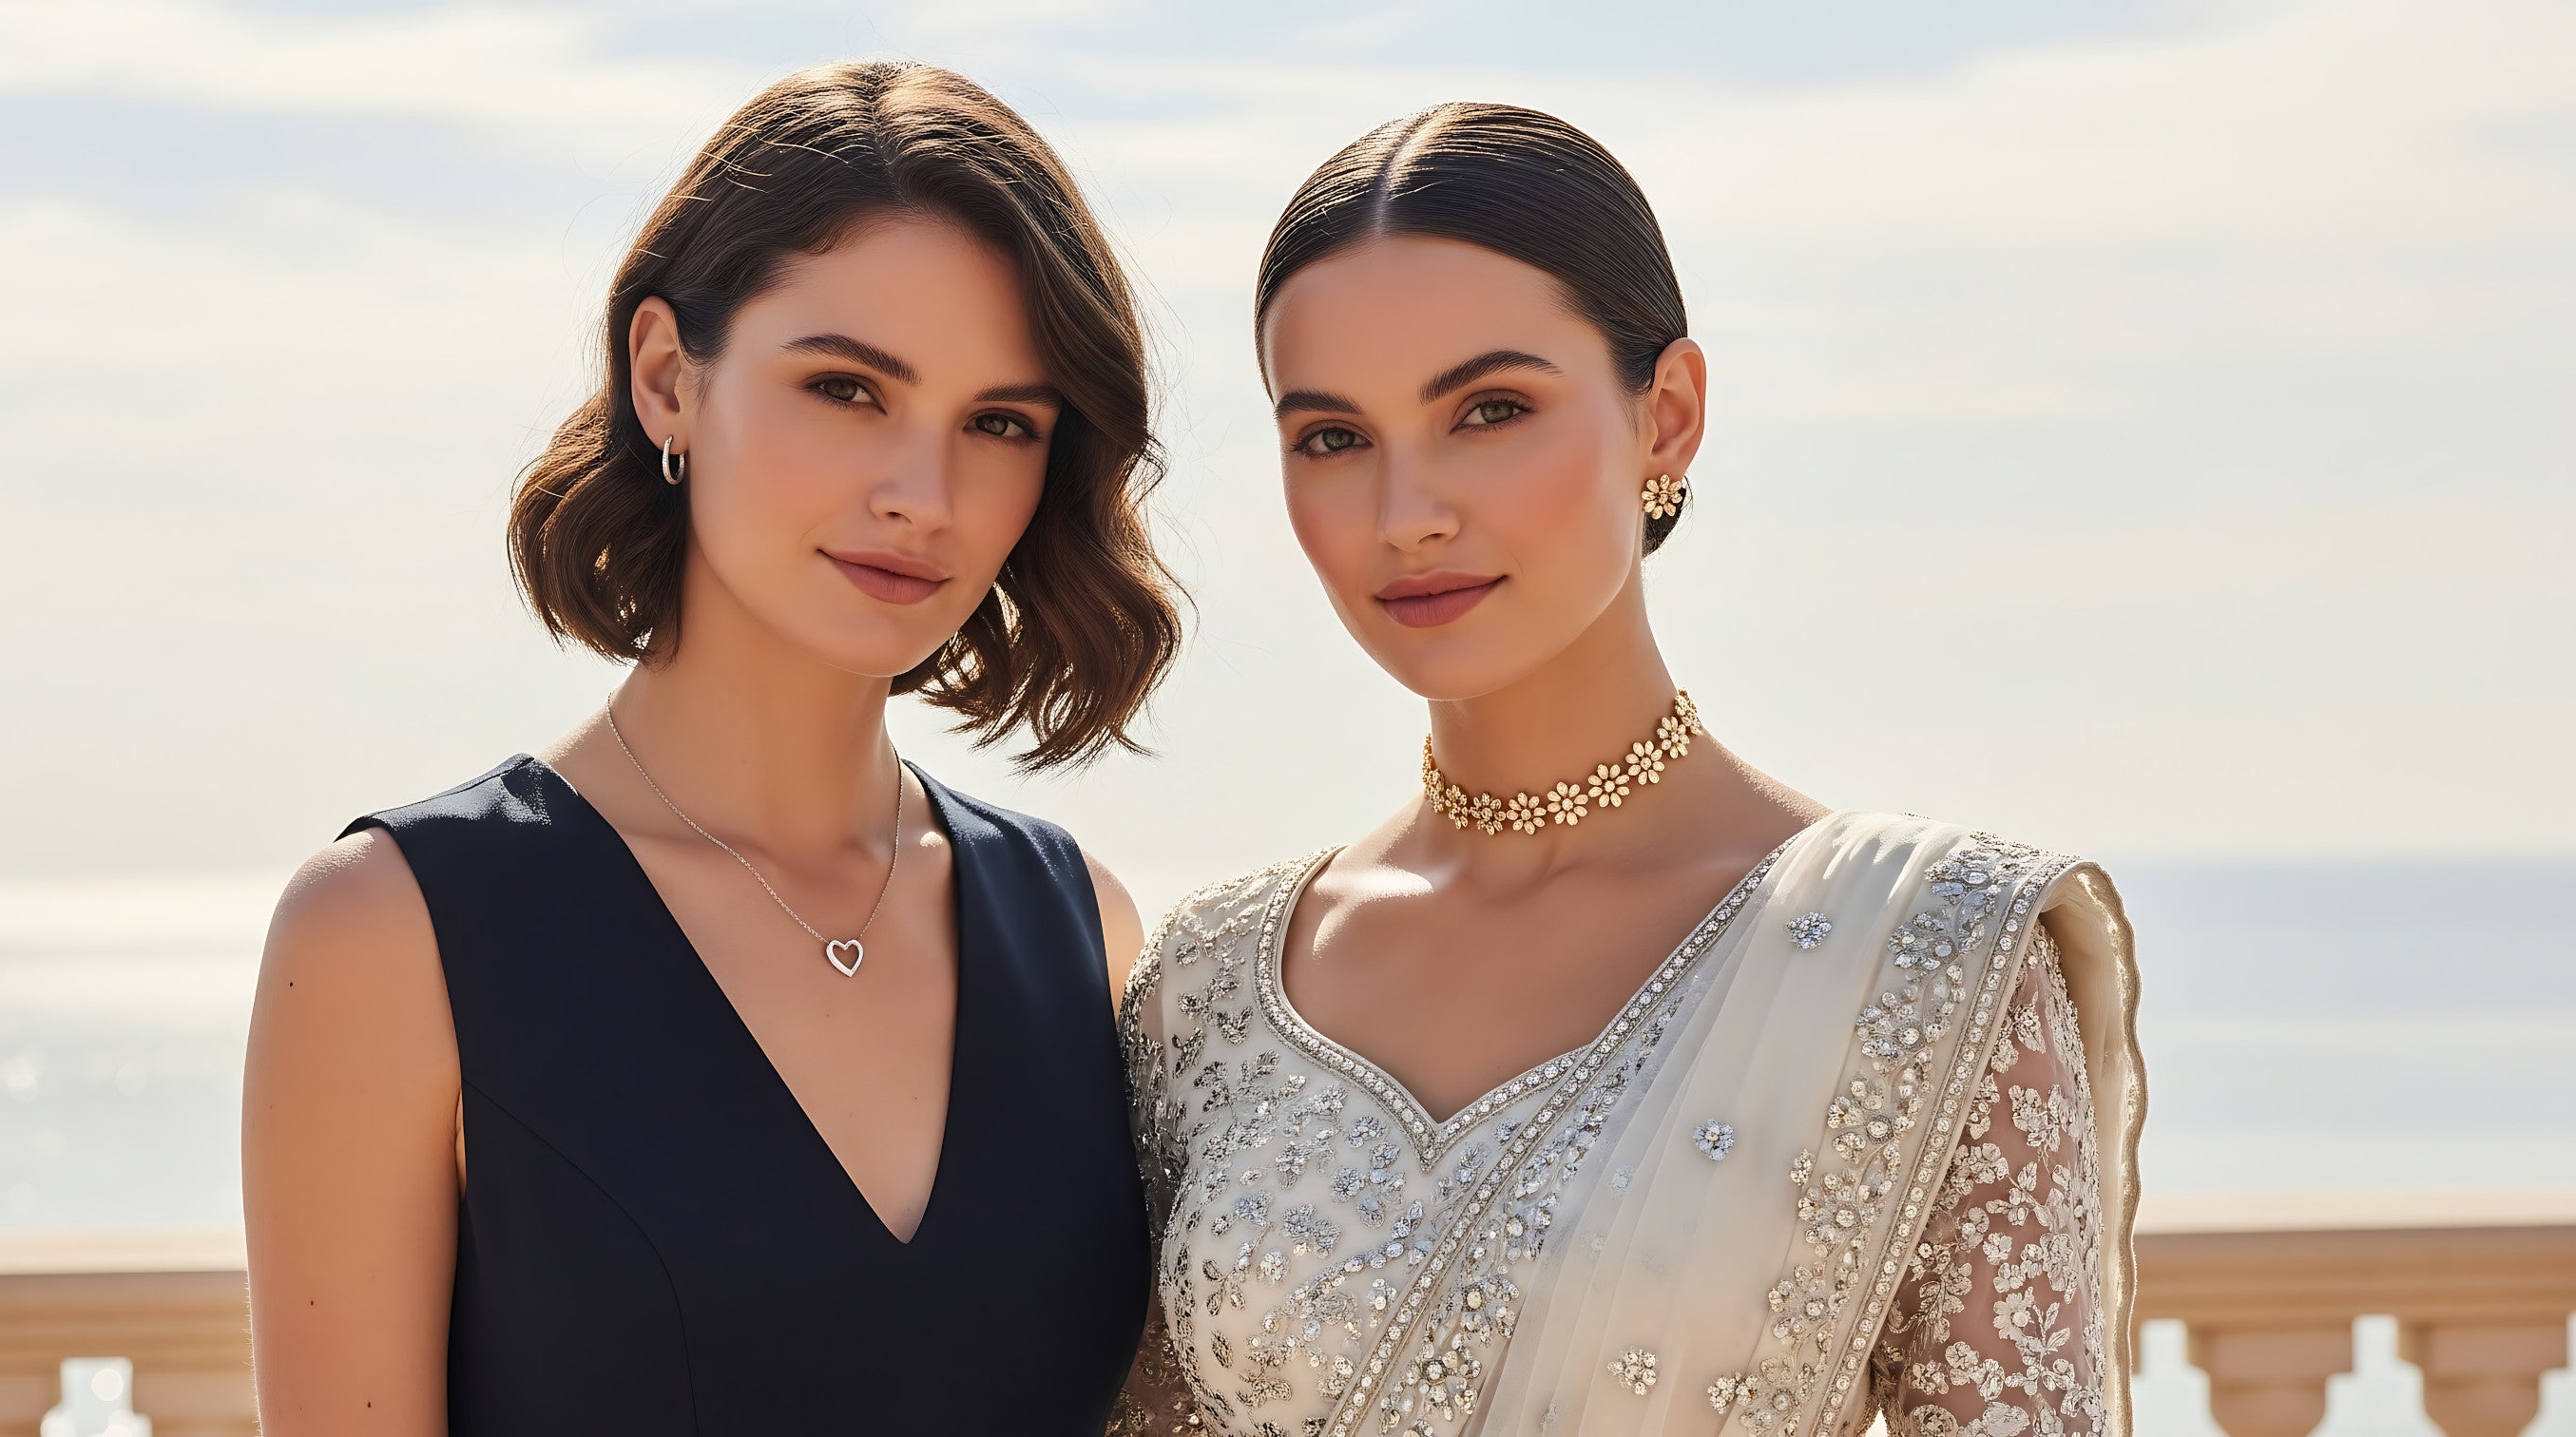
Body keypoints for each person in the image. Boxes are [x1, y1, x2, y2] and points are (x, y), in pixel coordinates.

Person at [1111, 104, 2143, 1437]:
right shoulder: (1210, 989)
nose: (1406, 513)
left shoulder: (1927, 956)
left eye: (1490, 411)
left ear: (1667, 416)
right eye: (1332, 437)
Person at [244, 61, 1180, 1436]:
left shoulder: (1078, 929)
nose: (922, 494)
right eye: (850, 389)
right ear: (669, 379)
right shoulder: (395, 936)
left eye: (999, 423)